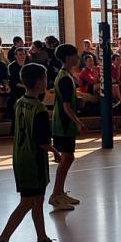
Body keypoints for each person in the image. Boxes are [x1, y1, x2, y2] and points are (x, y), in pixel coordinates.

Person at [0, 62, 66, 242]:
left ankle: (42, 240)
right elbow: (42, 142)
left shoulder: (19, 102)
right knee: (27, 202)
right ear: (40, 82)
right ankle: (2, 241)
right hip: (33, 160)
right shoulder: (40, 109)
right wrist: (55, 152)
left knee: (37, 199)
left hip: (20, 156)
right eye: (45, 78)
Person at [49, 44, 84, 212]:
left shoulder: (66, 75)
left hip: (64, 122)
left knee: (68, 157)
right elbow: (66, 106)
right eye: (75, 54)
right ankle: (56, 195)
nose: (78, 57)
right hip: (63, 123)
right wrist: (78, 122)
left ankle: (60, 193)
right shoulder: (64, 78)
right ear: (68, 57)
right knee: (67, 158)